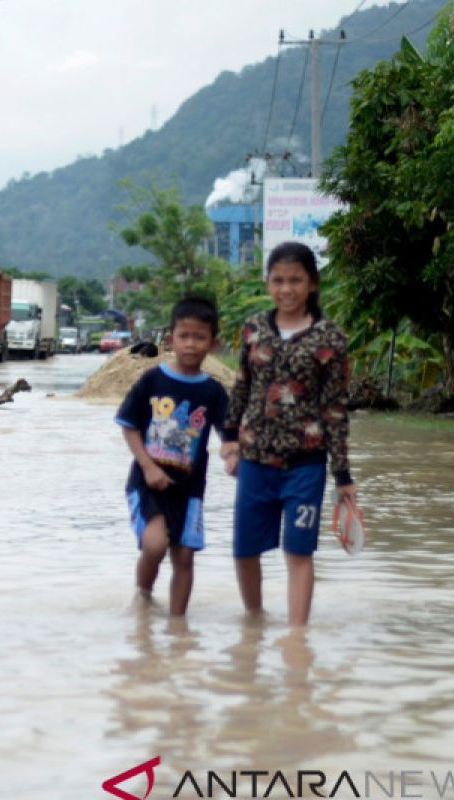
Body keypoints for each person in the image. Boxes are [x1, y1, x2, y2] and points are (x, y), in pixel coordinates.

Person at [221, 241, 356, 626]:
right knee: (244, 550)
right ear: (268, 283)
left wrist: (343, 474)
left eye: (296, 280)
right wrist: (229, 438)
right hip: (255, 460)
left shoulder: (330, 339)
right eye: (278, 280)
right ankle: (255, 623)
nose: (287, 289)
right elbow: (242, 387)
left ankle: (298, 638)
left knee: (298, 553)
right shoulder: (253, 329)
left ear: (312, 283)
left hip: (306, 464)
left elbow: (334, 409)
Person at [116, 296, 230, 616]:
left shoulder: (214, 392)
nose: (191, 344)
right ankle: (143, 597)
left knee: (185, 556)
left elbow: (229, 435)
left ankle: (178, 624)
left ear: (213, 343)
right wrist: (148, 466)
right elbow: (129, 426)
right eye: (184, 336)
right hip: (147, 482)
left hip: (190, 488)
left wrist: (233, 454)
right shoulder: (153, 380)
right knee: (155, 545)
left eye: (199, 337)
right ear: (171, 340)